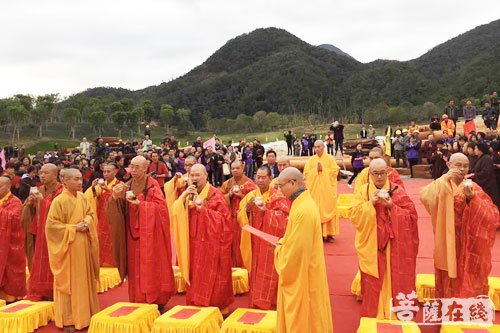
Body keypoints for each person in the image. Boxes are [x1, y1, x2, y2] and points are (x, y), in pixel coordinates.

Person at [420, 153, 499, 298]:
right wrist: (445, 178)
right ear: (449, 165)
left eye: (465, 166)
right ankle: (448, 308)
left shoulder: (473, 187)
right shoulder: (441, 184)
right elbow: (425, 197)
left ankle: (467, 309)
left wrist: (472, 199)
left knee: (469, 275)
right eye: (458, 165)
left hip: (469, 241)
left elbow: (492, 215)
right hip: (447, 239)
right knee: (447, 274)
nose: (462, 169)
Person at [349, 159, 418, 318]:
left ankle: (394, 313)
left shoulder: (397, 190)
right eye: (375, 173)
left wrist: (391, 207)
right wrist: (370, 204)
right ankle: (376, 313)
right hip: (372, 244)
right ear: (369, 174)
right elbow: (353, 216)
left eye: (382, 173)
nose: (379, 177)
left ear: (387, 172)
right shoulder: (363, 191)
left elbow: (411, 217)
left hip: (393, 247)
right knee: (373, 279)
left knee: (394, 276)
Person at [107, 156, 175, 306]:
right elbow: (114, 209)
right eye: (132, 166)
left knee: (150, 266)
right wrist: (115, 197)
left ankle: (156, 301)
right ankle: (138, 299)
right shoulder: (127, 185)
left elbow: (161, 209)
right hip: (132, 235)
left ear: (145, 168)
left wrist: (140, 204)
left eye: (137, 167)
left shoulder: (152, 185)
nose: (133, 170)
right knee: (134, 267)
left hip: (149, 236)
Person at [274, 167, 333, 333]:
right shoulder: (300, 203)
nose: (279, 190)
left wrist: (279, 250)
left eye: (281, 185)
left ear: (292, 183)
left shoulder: (304, 209)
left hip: (305, 276)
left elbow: (295, 255)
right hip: (307, 270)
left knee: (306, 319)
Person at [172, 164, 234, 311]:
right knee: (195, 272)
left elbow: (225, 221)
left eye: (197, 175)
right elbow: (175, 211)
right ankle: (195, 301)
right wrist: (183, 197)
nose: (194, 178)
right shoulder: (188, 193)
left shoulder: (215, 194)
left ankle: (216, 305)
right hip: (193, 241)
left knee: (214, 276)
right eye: (192, 175)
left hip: (212, 244)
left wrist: (204, 212)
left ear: (206, 176)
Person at [46, 168, 99, 332]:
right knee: (70, 282)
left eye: (80, 179)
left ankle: (86, 314)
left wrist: (87, 223)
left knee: (84, 279)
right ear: (65, 182)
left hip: (83, 245)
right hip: (68, 248)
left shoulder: (83, 197)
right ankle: (69, 319)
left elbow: (91, 214)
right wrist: (73, 228)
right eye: (75, 179)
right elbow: (51, 227)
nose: (79, 182)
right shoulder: (59, 201)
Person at [237, 166, 289, 309]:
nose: (259, 180)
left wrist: (267, 212)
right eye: (257, 177)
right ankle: (256, 302)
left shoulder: (278, 197)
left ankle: (271, 304)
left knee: (270, 274)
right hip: (254, 242)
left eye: (263, 177)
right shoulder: (250, 196)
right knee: (256, 273)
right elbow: (240, 218)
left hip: (270, 244)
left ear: (270, 178)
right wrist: (247, 209)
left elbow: (285, 220)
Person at [23, 163, 63, 300]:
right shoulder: (39, 189)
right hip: (39, 232)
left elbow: (61, 211)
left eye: (46, 173)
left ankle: (54, 290)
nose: (42, 175)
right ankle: (41, 290)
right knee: (38, 261)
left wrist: (43, 202)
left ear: (55, 175)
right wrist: (30, 204)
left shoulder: (61, 191)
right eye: (41, 173)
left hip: (55, 234)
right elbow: (28, 212)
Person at [220, 160, 257, 268]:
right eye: (233, 168)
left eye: (237, 168)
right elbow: (220, 199)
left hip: (244, 220)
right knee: (231, 244)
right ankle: (233, 267)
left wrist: (241, 195)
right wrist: (229, 195)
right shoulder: (227, 183)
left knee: (243, 243)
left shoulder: (249, 183)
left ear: (243, 169)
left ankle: (245, 266)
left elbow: (254, 199)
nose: (235, 170)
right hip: (231, 219)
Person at [303, 140, 340, 242]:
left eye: (319, 146)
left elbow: (335, 172)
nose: (317, 149)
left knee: (328, 208)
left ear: (323, 147)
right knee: (315, 210)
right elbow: (306, 173)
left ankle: (329, 234)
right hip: (315, 191)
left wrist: (323, 169)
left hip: (327, 190)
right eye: (315, 147)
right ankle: (317, 233)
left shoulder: (330, 159)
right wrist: (316, 170)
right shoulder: (311, 160)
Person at [84, 163, 120, 267]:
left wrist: (107, 190)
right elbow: (92, 197)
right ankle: (102, 261)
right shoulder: (101, 184)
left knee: (113, 239)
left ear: (115, 172)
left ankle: (114, 262)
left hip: (114, 218)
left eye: (109, 172)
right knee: (101, 238)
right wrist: (93, 188)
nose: (106, 174)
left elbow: (119, 199)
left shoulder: (119, 184)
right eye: (104, 172)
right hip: (101, 217)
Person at [0, 176, 26, 302]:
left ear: (8, 187)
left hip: (12, 245)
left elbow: (15, 219)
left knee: (12, 272)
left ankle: (12, 298)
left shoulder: (15, 202)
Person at [471, 143, 500, 208]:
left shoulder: (486, 158)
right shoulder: (481, 158)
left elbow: (485, 173)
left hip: (488, 186)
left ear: (480, 150)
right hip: (483, 185)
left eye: (476, 148)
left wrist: (475, 175)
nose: (474, 150)